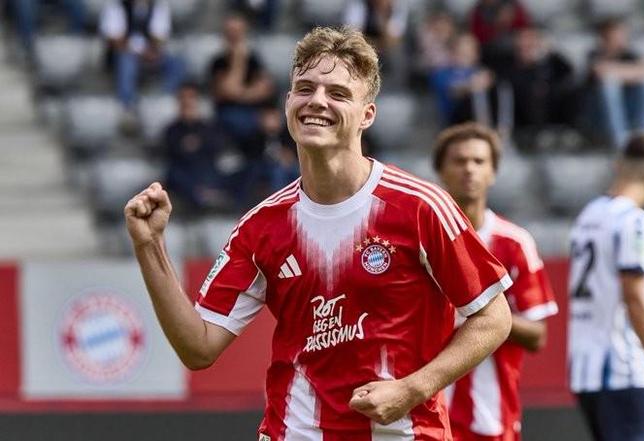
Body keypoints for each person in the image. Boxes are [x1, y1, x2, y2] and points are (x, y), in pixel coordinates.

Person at [125, 27, 513, 439]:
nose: (317, 101)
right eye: (305, 88)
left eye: (338, 93)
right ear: (288, 102)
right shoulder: (260, 226)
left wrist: (413, 388)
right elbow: (198, 347)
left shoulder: (421, 207)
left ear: (367, 115)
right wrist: (150, 246)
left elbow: (493, 317)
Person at [433, 122, 558, 441]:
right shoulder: (422, 240)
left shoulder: (514, 243)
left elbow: (537, 335)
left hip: (490, 417)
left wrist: (480, 313)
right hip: (426, 413)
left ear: (492, 172)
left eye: (479, 161)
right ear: (441, 171)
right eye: (459, 161)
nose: (469, 169)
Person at [568, 132, 644, 441]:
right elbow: (634, 296)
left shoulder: (588, 215)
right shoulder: (636, 222)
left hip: (584, 367)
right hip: (623, 367)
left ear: (618, 166)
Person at [162, 82, 237, 213]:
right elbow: (173, 151)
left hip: (206, 170)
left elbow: (217, 147)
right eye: (183, 97)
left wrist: (196, 143)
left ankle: (210, 196)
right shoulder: (172, 129)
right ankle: (202, 197)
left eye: (191, 97)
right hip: (183, 172)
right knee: (174, 175)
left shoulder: (208, 127)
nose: (187, 101)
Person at [99, 0, 184, 112]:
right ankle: (128, 105)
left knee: (177, 63)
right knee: (126, 61)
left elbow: (160, 38)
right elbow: (114, 40)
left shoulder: (158, 7)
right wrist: (138, 52)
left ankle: (163, 99)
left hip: (149, 56)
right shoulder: (116, 7)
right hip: (123, 56)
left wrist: (151, 51)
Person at [586, 17, 644, 149]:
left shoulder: (630, 54)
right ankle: (620, 142)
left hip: (628, 108)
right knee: (609, 86)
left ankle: (643, 136)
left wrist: (616, 72)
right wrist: (631, 74)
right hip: (598, 115)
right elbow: (601, 73)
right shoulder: (594, 54)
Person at [209, 12, 275, 150]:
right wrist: (238, 60)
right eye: (230, 31)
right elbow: (227, 91)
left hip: (254, 111)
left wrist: (240, 94)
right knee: (244, 123)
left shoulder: (254, 60)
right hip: (228, 113)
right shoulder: (218, 62)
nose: (234, 35)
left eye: (238, 31)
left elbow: (264, 90)